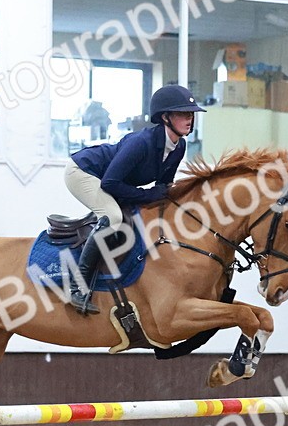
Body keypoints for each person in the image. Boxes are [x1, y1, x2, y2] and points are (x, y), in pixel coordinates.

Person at [64, 84, 205, 314]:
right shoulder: (141, 143)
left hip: (112, 180)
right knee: (112, 217)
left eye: (191, 114)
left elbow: (163, 188)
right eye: (183, 114)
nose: (189, 119)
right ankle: (77, 287)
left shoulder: (179, 146)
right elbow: (110, 183)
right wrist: (148, 195)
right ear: (166, 118)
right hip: (83, 172)